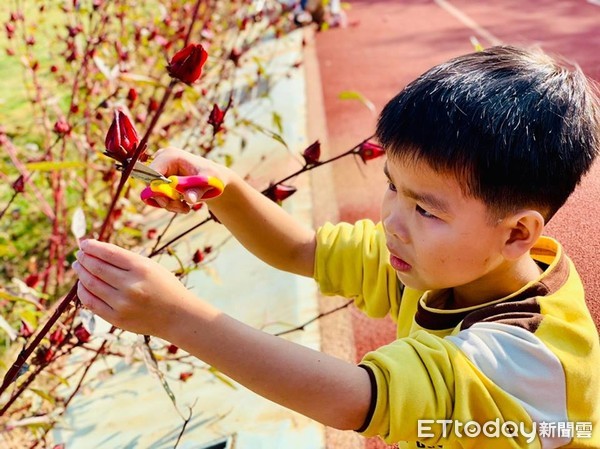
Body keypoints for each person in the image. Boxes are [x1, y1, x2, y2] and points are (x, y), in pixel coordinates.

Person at [73, 46, 600, 448]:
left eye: (425, 208)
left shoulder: (525, 353)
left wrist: (175, 318)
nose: (391, 220)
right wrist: (224, 188)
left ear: (515, 233)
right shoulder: (441, 260)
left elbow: (355, 398)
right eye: (392, 184)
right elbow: (302, 249)